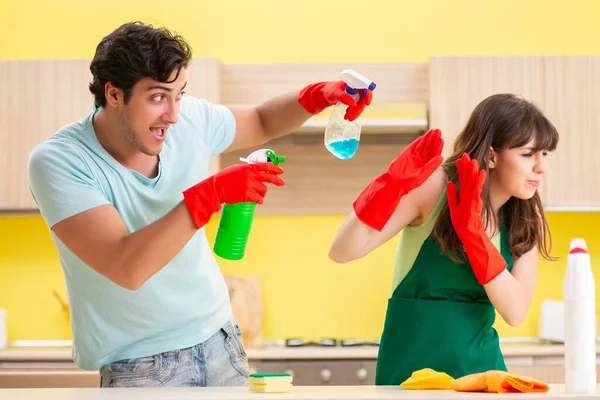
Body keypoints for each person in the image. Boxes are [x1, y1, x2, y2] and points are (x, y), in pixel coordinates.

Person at [27, 21, 373, 388]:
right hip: (140, 368)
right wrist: (208, 195)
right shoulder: (61, 161)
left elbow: (260, 120)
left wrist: (315, 98)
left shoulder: (187, 119)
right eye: (158, 97)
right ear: (114, 94)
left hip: (221, 343)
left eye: (179, 95)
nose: (173, 115)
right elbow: (125, 265)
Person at [328, 93, 559, 385]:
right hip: (410, 378)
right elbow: (342, 251)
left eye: (545, 154)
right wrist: (387, 188)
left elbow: (515, 311)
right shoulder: (435, 189)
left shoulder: (524, 219)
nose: (541, 167)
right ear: (491, 155)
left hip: (481, 378)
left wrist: (474, 236)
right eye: (528, 154)